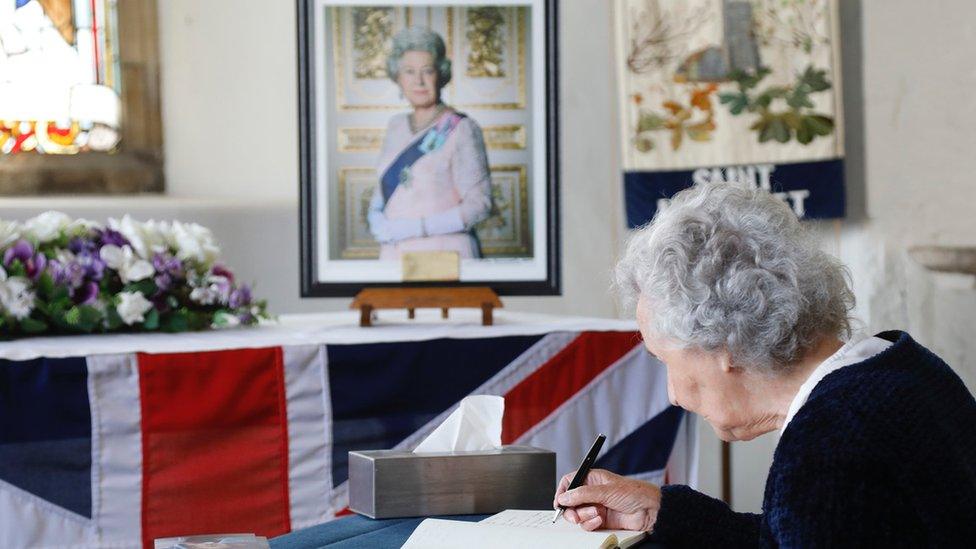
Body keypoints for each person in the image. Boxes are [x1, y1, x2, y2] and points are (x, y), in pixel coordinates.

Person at [553, 182, 976, 546]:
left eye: (666, 359)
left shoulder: (827, 446)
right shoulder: (900, 366)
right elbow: (817, 532)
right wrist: (659, 514)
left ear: (723, 345)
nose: (674, 395)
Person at [367, 26, 492, 260]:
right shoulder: (395, 125)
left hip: (446, 254)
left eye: (427, 71)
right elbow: (386, 186)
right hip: (396, 253)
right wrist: (374, 215)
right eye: (409, 71)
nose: (419, 81)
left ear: (440, 75)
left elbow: (479, 205)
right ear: (398, 78)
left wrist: (416, 228)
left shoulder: (462, 128)